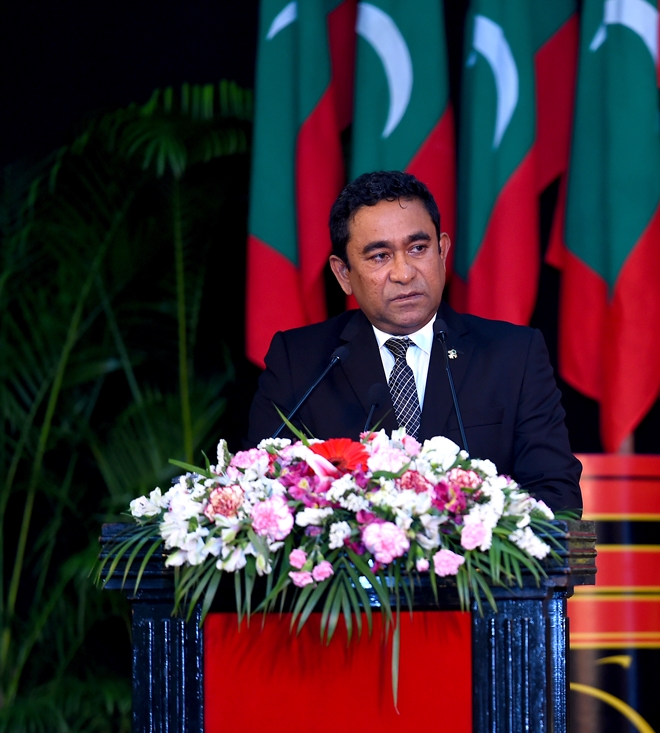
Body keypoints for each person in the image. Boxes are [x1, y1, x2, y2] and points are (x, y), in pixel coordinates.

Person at [246, 171, 583, 512]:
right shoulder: (301, 363)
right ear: (343, 274)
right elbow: (262, 492)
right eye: (380, 256)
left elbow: (556, 496)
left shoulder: (513, 356)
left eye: (418, 248)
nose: (404, 273)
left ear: (443, 251)